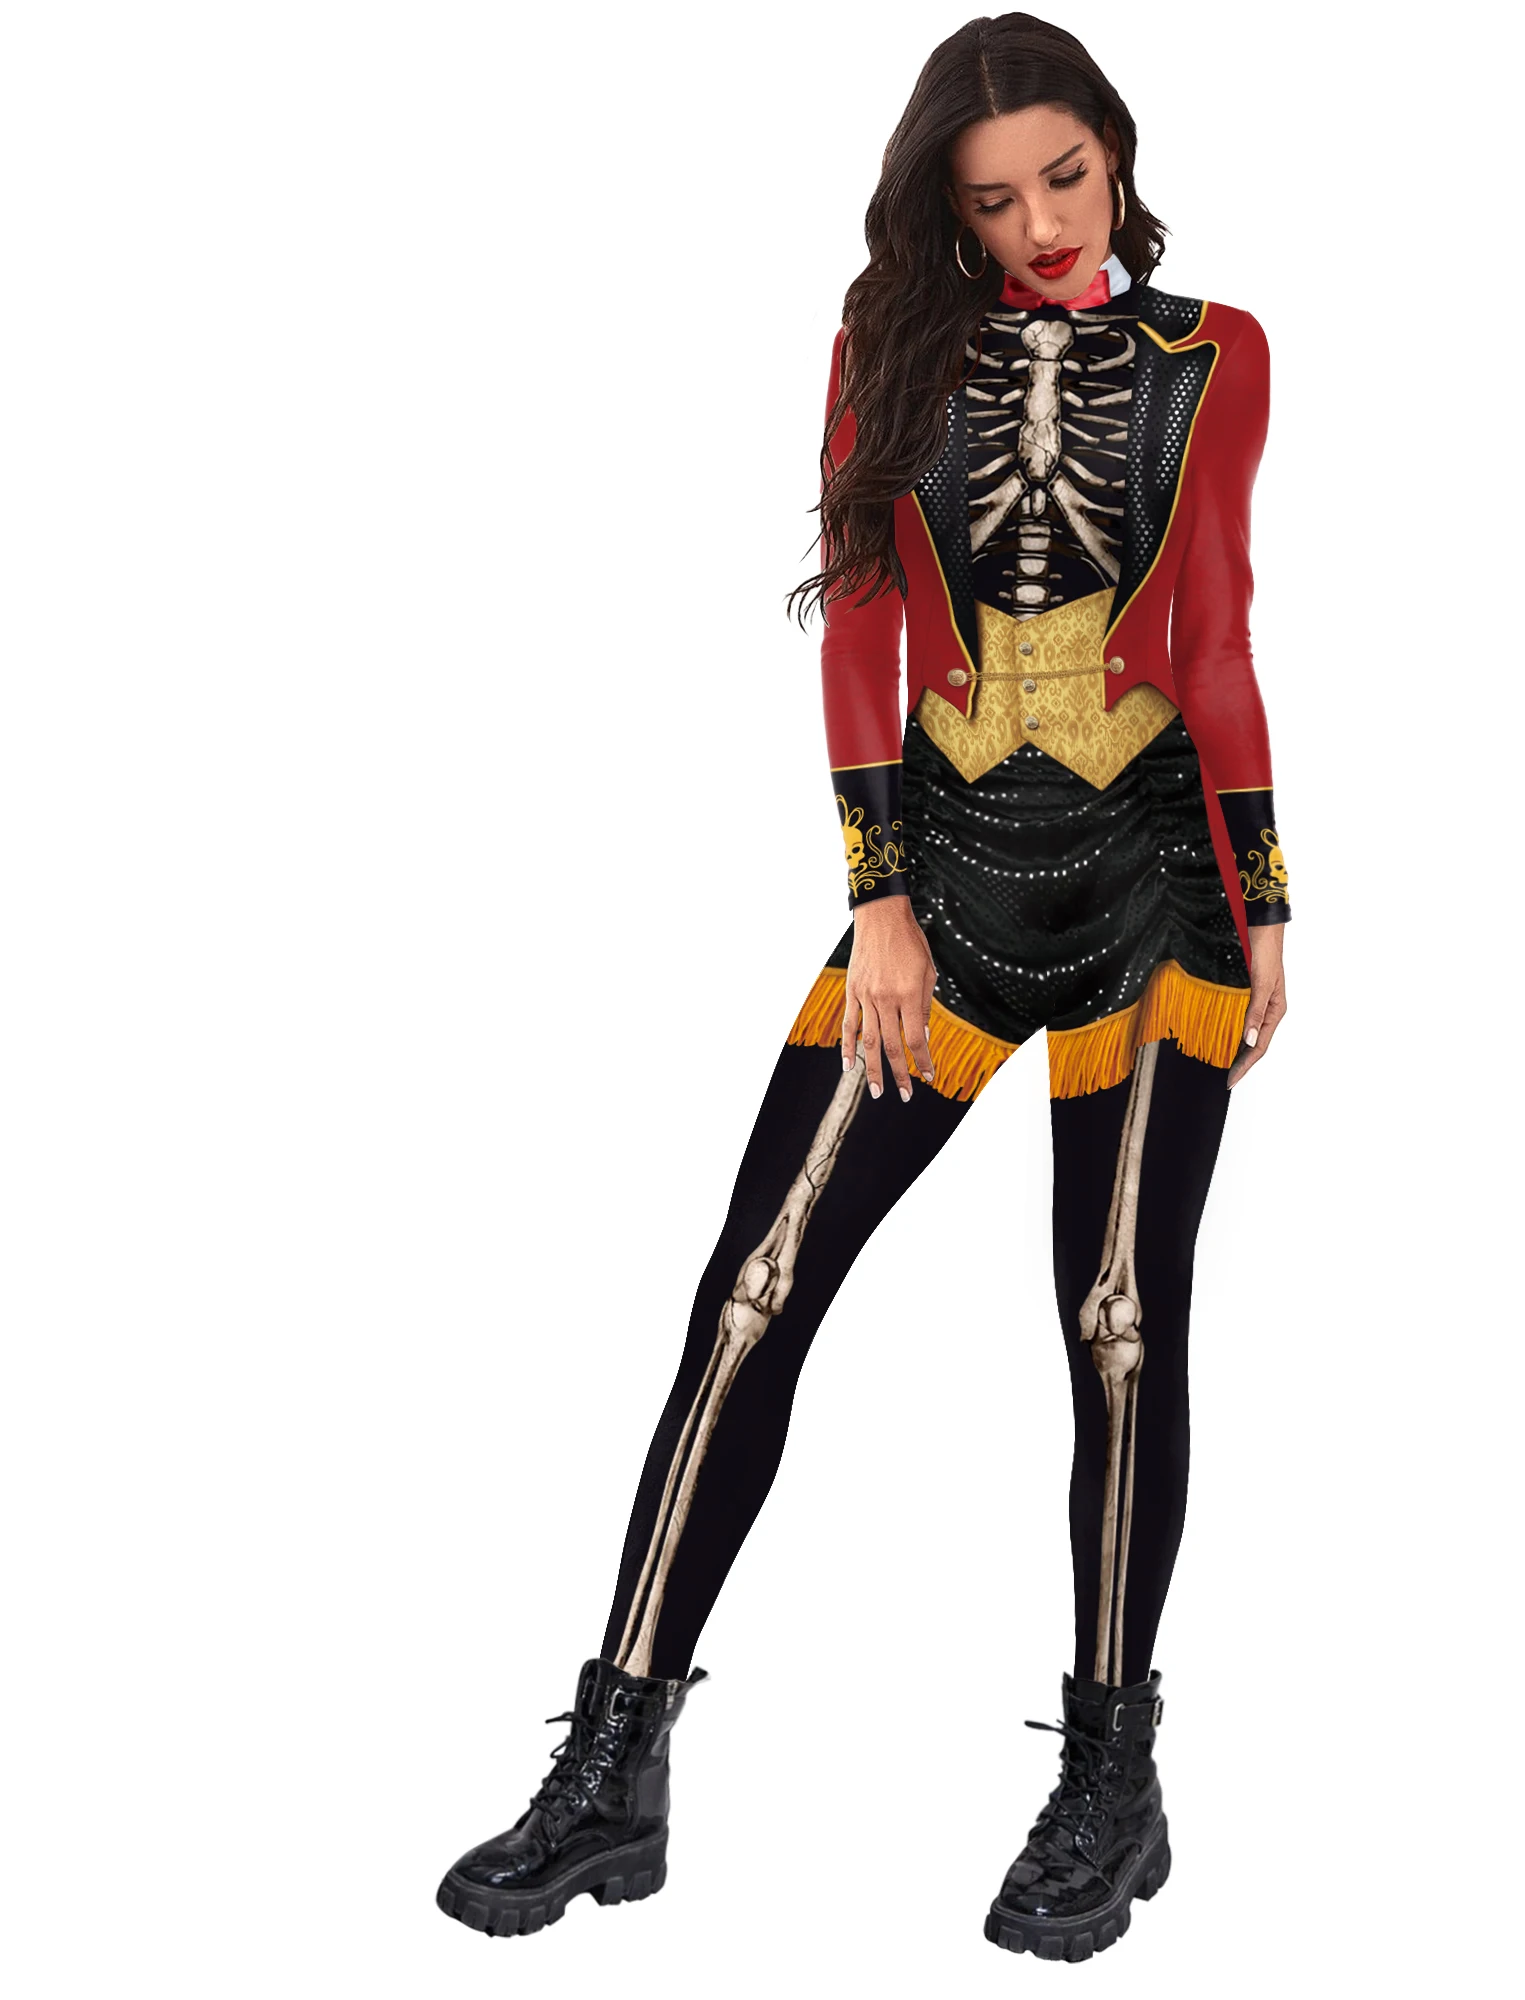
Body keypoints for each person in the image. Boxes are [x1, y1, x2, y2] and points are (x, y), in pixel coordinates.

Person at [435, 14, 1292, 1963]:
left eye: (1065, 178)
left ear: (1117, 154)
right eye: (994, 201)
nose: (1042, 223)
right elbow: (865, 616)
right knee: (753, 1292)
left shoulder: (1218, 351)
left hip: (1155, 888)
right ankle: (617, 1758)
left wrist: (1262, 896)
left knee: (1119, 1324)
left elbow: (1219, 629)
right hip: (949, 876)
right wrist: (877, 897)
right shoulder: (888, 341)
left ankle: (1112, 1777)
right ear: (946, 212)